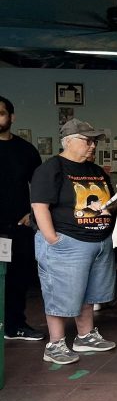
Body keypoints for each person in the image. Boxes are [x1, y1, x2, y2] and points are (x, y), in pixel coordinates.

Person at [30, 118, 117, 365]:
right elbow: (39, 206)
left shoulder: (96, 170)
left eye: (95, 141)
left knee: (90, 293)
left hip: (98, 241)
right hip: (67, 242)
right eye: (87, 140)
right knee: (59, 294)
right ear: (68, 141)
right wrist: (52, 240)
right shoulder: (52, 168)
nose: (93, 146)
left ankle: (85, 336)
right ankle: (55, 344)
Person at [0, 95, 44, 341]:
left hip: (18, 226)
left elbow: (39, 186)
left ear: (11, 117)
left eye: (1, 113)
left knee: (18, 278)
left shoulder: (25, 150)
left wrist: (32, 213)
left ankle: (15, 325)